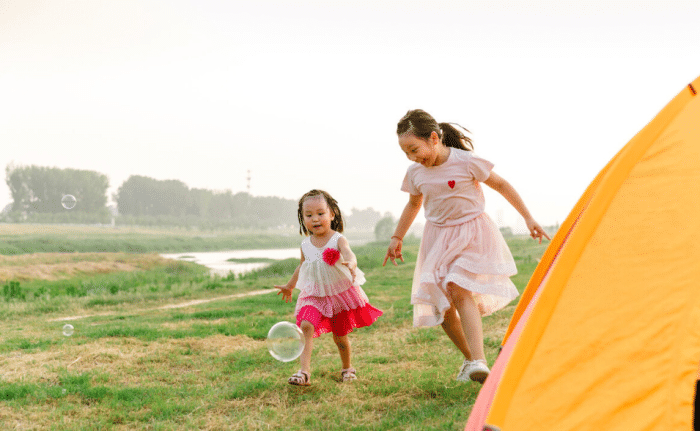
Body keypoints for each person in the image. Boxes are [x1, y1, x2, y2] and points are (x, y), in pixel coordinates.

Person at [383, 109, 550, 383]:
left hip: (472, 233)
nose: (413, 158)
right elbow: (413, 204)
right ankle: (473, 361)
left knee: (459, 290)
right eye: (406, 154)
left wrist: (528, 217)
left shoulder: (466, 162)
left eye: (415, 149)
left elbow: (502, 185)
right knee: (443, 307)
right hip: (437, 238)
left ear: (434, 138)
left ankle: (479, 359)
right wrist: (397, 237)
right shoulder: (415, 173)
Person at [275, 189, 383, 386]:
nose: (315, 219)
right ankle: (304, 372)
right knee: (306, 326)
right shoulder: (306, 244)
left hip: (337, 295)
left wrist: (351, 263)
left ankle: (347, 368)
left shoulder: (337, 239)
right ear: (302, 218)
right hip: (314, 294)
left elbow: (349, 253)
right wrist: (289, 286)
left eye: (320, 213)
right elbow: (302, 265)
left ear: (332, 214)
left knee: (340, 337)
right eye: (309, 215)